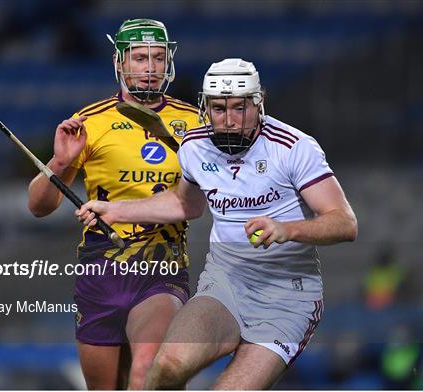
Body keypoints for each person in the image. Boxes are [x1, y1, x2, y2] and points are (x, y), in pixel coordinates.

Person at [76, 58, 358, 389]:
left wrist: (286, 229)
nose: (230, 121)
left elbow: (344, 222)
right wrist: (117, 210)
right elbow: (186, 204)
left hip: (286, 298)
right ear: (205, 107)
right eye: (220, 109)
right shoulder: (195, 146)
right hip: (225, 283)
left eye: (240, 108)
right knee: (166, 365)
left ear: (259, 102)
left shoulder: (294, 147)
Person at [28, 19, 201, 390]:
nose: (150, 67)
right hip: (101, 271)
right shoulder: (89, 121)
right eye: (140, 58)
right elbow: (39, 206)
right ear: (120, 62)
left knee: (149, 373)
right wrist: (59, 164)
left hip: (162, 267)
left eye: (158, 57)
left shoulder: (195, 122)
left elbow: (201, 200)